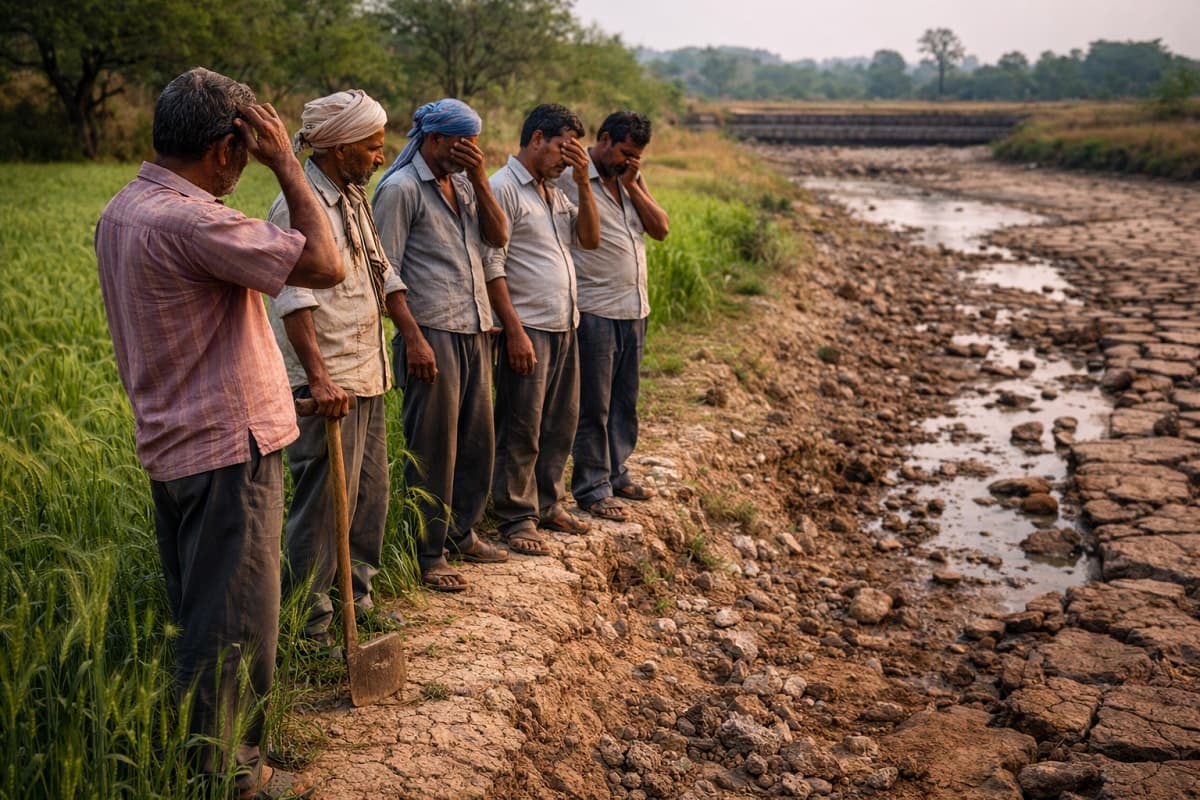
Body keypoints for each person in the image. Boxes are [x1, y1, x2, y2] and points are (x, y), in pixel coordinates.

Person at [95, 68, 340, 799]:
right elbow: (324, 264)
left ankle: (206, 760)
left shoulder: (124, 209)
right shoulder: (195, 221)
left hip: (176, 442)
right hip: (229, 449)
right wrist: (289, 165)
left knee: (203, 616)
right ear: (227, 148)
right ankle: (229, 774)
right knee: (234, 623)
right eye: (247, 148)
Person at [266, 90, 404, 642]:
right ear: (340, 147)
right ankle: (311, 622)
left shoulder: (353, 198)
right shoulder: (297, 206)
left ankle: (357, 599)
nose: (380, 155)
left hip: (366, 370)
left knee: (369, 497)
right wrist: (319, 379)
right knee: (323, 507)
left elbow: (378, 272)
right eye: (372, 146)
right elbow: (292, 297)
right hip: (327, 381)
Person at [372, 98, 510, 592]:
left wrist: (481, 179)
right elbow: (383, 272)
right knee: (434, 448)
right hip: (430, 332)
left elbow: (497, 238)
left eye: (474, 144)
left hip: (473, 330)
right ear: (433, 140)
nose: (469, 152)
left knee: (476, 442)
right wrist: (413, 340)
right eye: (461, 144)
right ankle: (428, 554)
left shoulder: (466, 185)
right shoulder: (401, 189)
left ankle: (461, 533)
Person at [484, 103, 600, 556]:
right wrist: (513, 331)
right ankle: (516, 515)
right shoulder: (503, 188)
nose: (567, 160)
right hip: (528, 325)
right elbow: (493, 265)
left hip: (564, 323)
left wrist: (583, 182)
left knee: (560, 423)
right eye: (562, 148)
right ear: (536, 139)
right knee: (521, 425)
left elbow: (589, 239)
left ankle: (549, 502)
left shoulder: (553, 191)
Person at [555, 111, 669, 522]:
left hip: (634, 308)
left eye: (636, 155)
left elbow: (661, 229)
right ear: (604, 140)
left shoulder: (629, 179)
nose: (629, 160)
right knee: (594, 405)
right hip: (595, 309)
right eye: (624, 152)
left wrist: (633, 185)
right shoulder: (569, 177)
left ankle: (617, 473)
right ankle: (592, 487)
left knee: (624, 400)